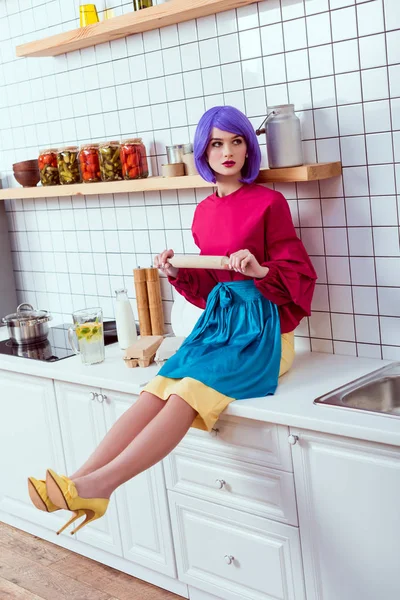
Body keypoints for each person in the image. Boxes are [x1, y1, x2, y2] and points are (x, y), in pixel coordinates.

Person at [27, 105, 317, 536]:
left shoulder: (270, 203)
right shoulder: (202, 212)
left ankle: (100, 487)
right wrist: (178, 273)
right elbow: (208, 289)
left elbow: (299, 274)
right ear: (204, 151)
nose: (228, 151)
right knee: (155, 389)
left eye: (237, 141)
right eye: (217, 143)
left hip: (263, 332)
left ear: (249, 147)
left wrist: (259, 271)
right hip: (219, 326)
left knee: (185, 394)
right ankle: (77, 479)